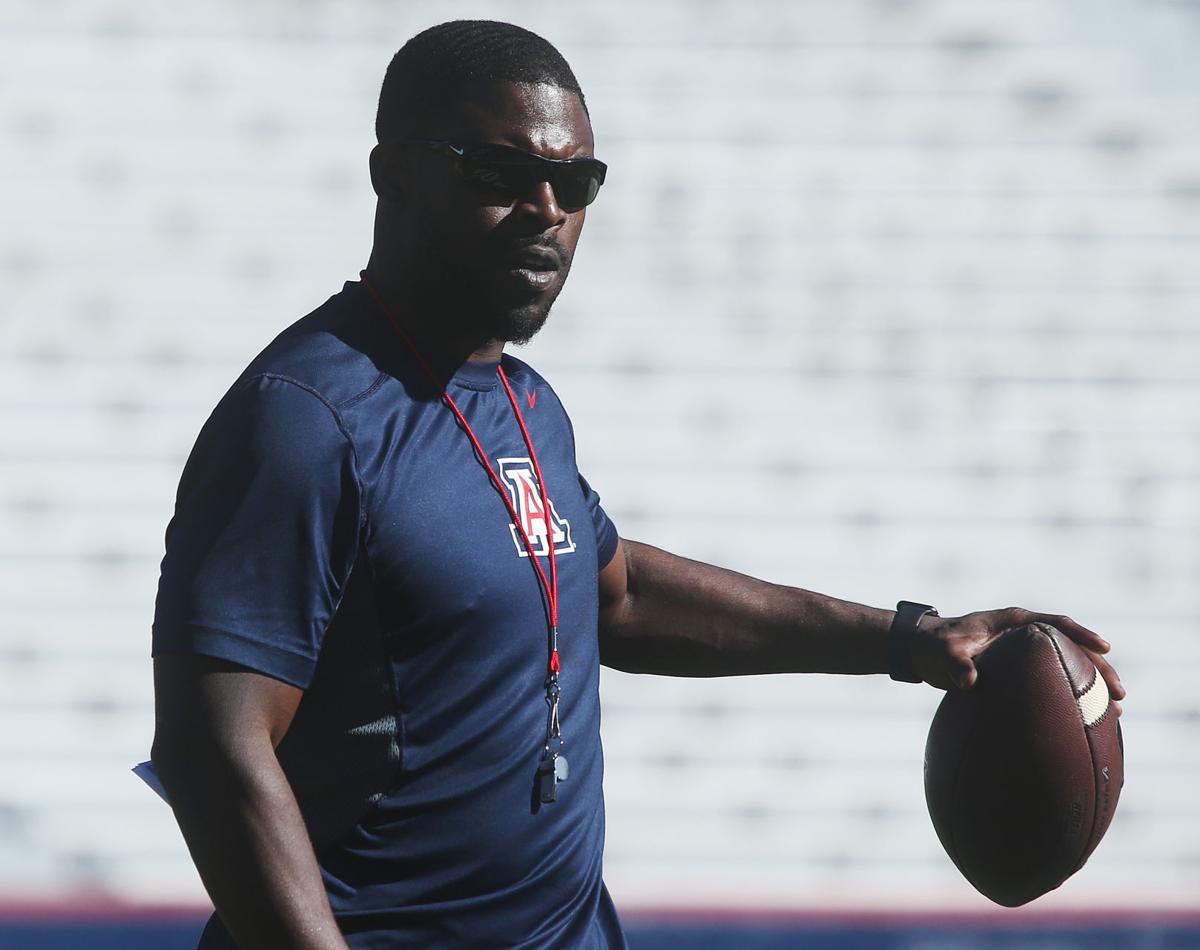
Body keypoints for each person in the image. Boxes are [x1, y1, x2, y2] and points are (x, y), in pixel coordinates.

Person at [149, 19, 1125, 950]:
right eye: (504, 173)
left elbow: (617, 592)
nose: (548, 210)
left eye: (577, 181)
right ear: (392, 175)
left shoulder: (525, 402)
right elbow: (217, 752)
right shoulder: (304, 417)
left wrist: (909, 637)